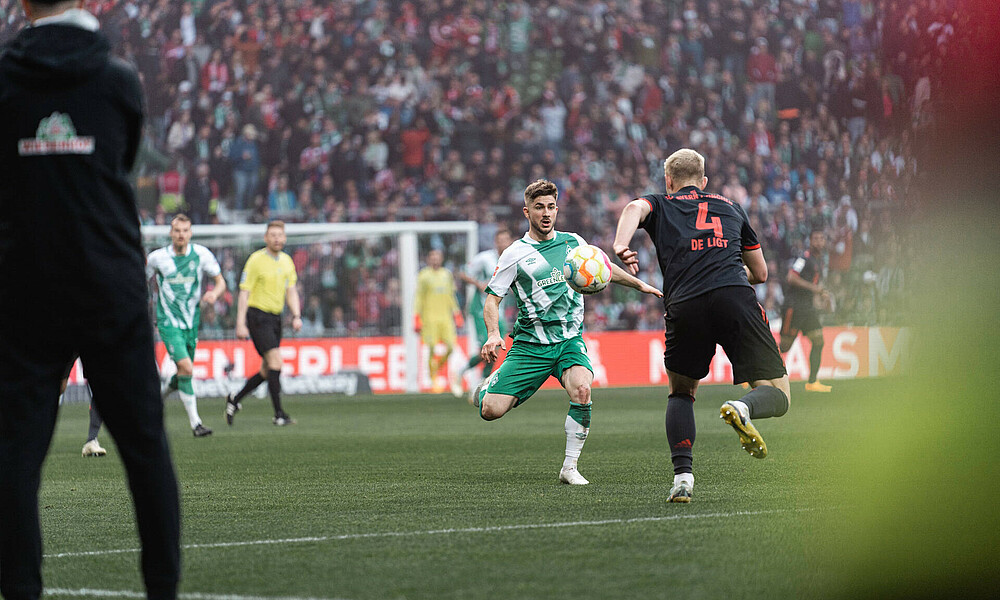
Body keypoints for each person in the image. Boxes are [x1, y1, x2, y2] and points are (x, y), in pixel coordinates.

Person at [0, 1, 180, 598]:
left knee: (14, 458)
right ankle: (162, 590)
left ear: (22, 3)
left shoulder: (4, 76)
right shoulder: (118, 79)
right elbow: (121, 163)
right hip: (109, 284)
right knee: (146, 450)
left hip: (25, 285)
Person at [613, 149, 791, 503]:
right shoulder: (730, 206)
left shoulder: (660, 203)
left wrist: (620, 244)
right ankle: (745, 407)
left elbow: (634, 208)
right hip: (733, 296)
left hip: (685, 302)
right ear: (704, 181)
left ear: (669, 181)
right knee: (779, 394)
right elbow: (761, 273)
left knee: (681, 392)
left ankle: (683, 479)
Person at [476, 179, 662, 485]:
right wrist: (493, 333)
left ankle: (570, 467)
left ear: (557, 209)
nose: (546, 213)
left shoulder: (574, 242)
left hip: (568, 342)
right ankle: (485, 389)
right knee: (490, 411)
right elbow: (492, 300)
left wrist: (638, 283)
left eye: (550, 206)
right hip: (530, 346)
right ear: (527, 212)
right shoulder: (514, 253)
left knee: (582, 390)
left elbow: (601, 267)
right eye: (539, 207)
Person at [147, 214, 226, 437]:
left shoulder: (202, 255)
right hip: (168, 322)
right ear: (171, 233)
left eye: (185, 230)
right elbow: (139, 280)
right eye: (177, 231)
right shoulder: (157, 258)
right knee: (188, 369)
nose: (181, 235)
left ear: (190, 233)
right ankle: (196, 424)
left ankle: (156, 400)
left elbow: (221, 283)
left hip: (191, 322)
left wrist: (214, 294)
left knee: (183, 371)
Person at [226, 220, 301, 426]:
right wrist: (240, 323)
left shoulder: (287, 261)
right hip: (257, 317)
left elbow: (291, 290)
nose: (277, 238)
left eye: (280, 235)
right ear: (266, 238)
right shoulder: (256, 260)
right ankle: (279, 414)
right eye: (273, 235)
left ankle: (235, 399)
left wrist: (296, 315)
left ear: (284, 238)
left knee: (267, 370)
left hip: (276, 318)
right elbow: (244, 292)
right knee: (276, 362)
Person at [455, 229, 513, 401]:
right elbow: (463, 273)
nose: (503, 243)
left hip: (499, 311)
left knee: (496, 348)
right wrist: (479, 284)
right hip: (481, 309)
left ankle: (479, 386)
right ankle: (462, 371)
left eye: (506, 239)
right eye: (500, 240)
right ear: (495, 242)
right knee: (488, 346)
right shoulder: (485, 258)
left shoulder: (512, 258)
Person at [779, 229, 833, 392]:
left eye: (821, 238)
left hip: (808, 309)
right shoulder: (804, 258)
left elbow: (815, 285)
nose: (818, 241)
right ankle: (754, 372)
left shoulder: (819, 261)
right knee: (784, 347)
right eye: (815, 238)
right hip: (794, 307)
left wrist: (822, 295)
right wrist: (815, 289)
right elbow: (791, 277)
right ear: (810, 241)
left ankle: (812, 382)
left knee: (818, 340)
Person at [414, 248, 463, 394]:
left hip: (445, 318)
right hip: (429, 318)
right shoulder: (423, 275)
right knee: (432, 348)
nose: (435, 259)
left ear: (441, 259)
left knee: (451, 347)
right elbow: (419, 297)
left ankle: (436, 367)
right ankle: (433, 379)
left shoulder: (446, 275)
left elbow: (451, 295)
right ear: (429, 259)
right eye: (432, 256)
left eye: (437, 256)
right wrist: (416, 317)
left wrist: (457, 313)